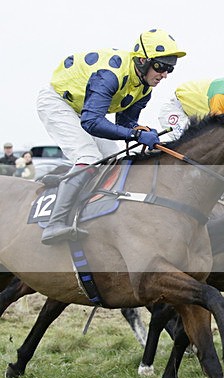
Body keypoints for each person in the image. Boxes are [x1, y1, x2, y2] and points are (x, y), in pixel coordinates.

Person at [36, 28, 186, 245]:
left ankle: (79, 199)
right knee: (88, 156)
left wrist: (143, 130)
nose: (164, 74)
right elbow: (91, 122)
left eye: (169, 69)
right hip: (59, 102)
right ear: (142, 61)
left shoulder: (144, 88)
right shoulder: (110, 76)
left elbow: (124, 124)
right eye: (160, 66)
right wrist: (134, 134)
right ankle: (55, 224)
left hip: (86, 109)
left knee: (113, 160)